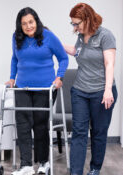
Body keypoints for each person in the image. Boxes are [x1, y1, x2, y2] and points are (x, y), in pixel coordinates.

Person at [5, 7, 68, 175]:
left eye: (31, 22)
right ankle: (26, 165)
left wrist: (59, 77)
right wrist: (12, 78)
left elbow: (63, 57)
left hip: (44, 88)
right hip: (23, 87)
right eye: (24, 23)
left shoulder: (48, 36)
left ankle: (44, 162)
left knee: (40, 124)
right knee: (23, 124)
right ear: (20, 25)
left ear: (36, 21)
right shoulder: (16, 37)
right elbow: (14, 58)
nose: (28, 26)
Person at [63, 3, 118, 175]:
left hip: (102, 92)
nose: (75, 27)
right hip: (80, 90)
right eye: (72, 23)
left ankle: (94, 169)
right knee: (79, 132)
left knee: (98, 132)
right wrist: (56, 43)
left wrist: (107, 90)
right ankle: (76, 172)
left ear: (88, 19)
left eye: (77, 23)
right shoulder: (81, 36)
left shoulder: (105, 35)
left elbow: (109, 63)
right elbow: (76, 51)